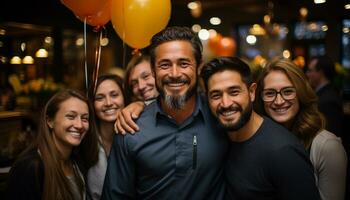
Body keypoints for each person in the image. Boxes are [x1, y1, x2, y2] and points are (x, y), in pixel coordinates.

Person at [101, 26, 228, 200]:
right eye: (165, 65)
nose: (174, 74)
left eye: (184, 64)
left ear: (199, 68)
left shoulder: (221, 116)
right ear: (154, 72)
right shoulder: (130, 128)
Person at [200, 56, 320, 199]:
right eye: (216, 95)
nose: (225, 103)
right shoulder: (219, 139)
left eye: (234, 92)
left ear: (251, 92)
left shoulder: (283, 151)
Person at [255, 59, 347, 200]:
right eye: (269, 93)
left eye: (288, 91)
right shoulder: (259, 140)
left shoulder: (327, 146)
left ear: (301, 93)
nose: (279, 101)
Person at [6, 89, 99, 200]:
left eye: (84, 118)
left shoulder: (77, 161)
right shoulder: (30, 167)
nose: (79, 125)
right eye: (71, 116)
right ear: (50, 121)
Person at [87, 75, 125, 200]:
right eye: (100, 98)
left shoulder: (137, 135)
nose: (108, 103)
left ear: (124, 98)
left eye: (114, 95)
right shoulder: (84, 141)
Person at [306, 56, 344, 138]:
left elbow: (332, 135)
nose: (307, 74)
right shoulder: (323, 93)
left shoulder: (328, 100)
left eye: (310, 70)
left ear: (320, 73)